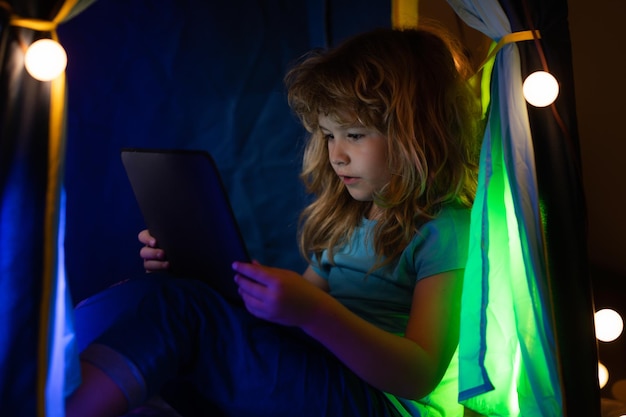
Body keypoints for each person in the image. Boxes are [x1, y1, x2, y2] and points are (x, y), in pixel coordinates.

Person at [66, 24, 482, 417]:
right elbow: (294, 314)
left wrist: (314, 312)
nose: (337, 154)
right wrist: (198, 273)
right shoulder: (348, 219)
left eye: (354, 135)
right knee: (158, 297)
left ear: (419, 133)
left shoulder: (444, 229)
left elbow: (419, 374)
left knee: (182, 311)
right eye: (328, 135)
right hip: (321, 375)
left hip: (382, 403)